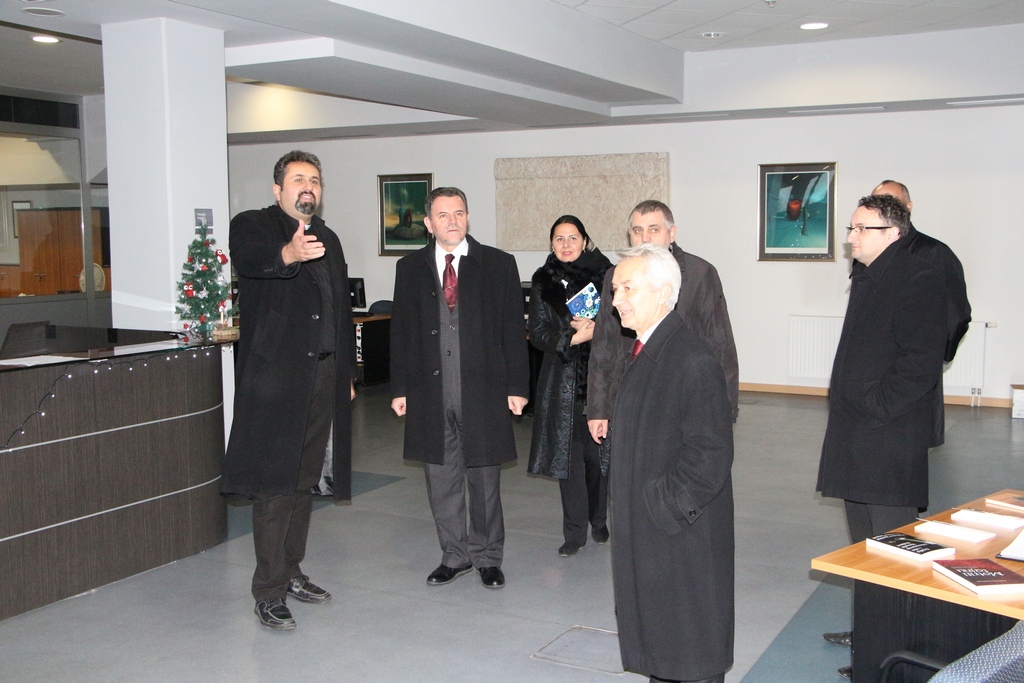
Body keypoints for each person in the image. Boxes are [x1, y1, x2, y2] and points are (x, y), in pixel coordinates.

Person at [221, 150, 356, 631]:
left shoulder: (329, 237)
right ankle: (268, 589)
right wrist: (288, 254)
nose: (308, 187)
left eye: (315, 180)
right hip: (276, 381)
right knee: (274, 486)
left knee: (304, 482)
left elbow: (339, 308)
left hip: (323, 376)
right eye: (299, 179)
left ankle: (292, 571)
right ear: (278, 188)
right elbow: (252, 261)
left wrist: (347, 373)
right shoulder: (253, 225)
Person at [817, 194, 947, 677]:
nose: (850, 237)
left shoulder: (918, 279)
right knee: (865, 552)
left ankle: (901, 651)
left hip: (886, 440)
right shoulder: (869, 274)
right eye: (851, 228)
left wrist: (876, 406)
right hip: (855, 436)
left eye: (860, 229)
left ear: (892, 233)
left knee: (895, 555)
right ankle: (871, 644)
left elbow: (920, 364)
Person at [389, 186, 529, 589]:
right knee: (441, 475)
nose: (452, 221)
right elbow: (402, 331)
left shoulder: (498, 264)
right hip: (430, 391)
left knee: (483, 477)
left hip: (483, 388)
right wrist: (399, 388)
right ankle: (454, 555)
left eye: (459, 213)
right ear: (428, 223)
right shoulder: (410, 268)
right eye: (443, 215)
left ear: (468, 217)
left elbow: (511, 330)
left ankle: (487, 556)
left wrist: (517, 385)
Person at [608, 243, 735, 683]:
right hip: (653, 532)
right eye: (615, 289)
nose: (617, 299)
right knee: (664, 646)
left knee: (689, 647)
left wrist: (660, 508)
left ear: (663, 293)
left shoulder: (691, 360)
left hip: (679, 535)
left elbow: (710, 455)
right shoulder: (648, 350)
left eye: (628, 288)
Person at [587, 200, 738, 450]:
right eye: (637, 231)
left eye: (654, 230)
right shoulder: (616, 275)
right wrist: (597, 408)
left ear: (672, 233)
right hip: (627, 394)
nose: (645, 238)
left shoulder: (700, 274)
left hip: (679, 396)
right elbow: (604, 345)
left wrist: (725, 410)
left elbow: (720, 347)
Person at [527, 215, 613, 557]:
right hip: (561, 382)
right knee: (570, 458)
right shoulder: (542, 280)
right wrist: (574, 337)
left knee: (598, 456)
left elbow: (624, 322)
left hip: (600, 379)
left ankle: (599, 518)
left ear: (585, 240)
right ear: (551, 244)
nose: (566, 244)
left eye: (572, 237)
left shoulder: (607, 275)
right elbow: (538, 333)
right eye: (559, 239)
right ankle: (574, 531)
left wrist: (597, 329)